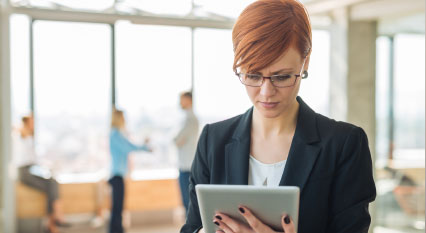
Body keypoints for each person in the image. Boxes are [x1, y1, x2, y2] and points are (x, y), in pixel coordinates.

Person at [180, 0, 376, 232]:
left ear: (306, 62)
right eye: (252, 75)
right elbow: (192, 227)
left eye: (281, 77)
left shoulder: (343, 144)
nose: (266, 93)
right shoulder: (213, 140)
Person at [14, 115, 69, 233]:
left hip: (32, 169)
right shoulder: (21, 137)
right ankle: (55, 218)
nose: (33, 125)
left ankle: (52, 222)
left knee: (52, 183)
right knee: (52, 185)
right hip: (24, 172)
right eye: (31, 123)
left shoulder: (30, 139)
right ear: (26, 124)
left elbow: (34, 160)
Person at [108, 108, 151, 233]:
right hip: (116, 176)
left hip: (119, 175)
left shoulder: (119, 133)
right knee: (117, 208)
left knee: (119, 207)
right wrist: (144, 147)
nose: (124, 120)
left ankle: (117, 230)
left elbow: (129, 146)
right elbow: (128, 147)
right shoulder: (115, 134)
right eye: (122, 117)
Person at [174, 92, 199, 214]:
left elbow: (177, 140)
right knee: (186, 202)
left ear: (188, 100)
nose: (179, 103)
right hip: (186, 165)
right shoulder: (187, 119)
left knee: (188, 202)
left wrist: (176, 139)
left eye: (181, 100)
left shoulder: (190, 120)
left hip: (187, 166)